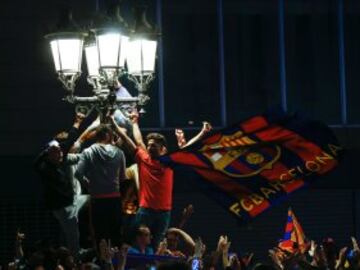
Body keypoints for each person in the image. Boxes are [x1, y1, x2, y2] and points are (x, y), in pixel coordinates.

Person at [110, 111, 173, 248]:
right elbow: (133, 140)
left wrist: (202, 134)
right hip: (146, 210)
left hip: (164, 212)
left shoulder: (170, 163)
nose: (149, 147)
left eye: (153, 146)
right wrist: (131, 123)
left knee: (157, 244)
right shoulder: (144, 159)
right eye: (149, 145)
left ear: (163, 149)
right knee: (137, 243)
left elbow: (188, 150)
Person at [35, 113, 89, 255]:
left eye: (60, 152)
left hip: (71, 202)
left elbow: (70, 140)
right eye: (57, 153)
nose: (60, 155)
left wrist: (77, 122)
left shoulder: (60, 157)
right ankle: (74, 258)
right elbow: (37, 163)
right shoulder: (44, 167)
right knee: (72, 236)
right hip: (63, 207)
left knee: (93, 198)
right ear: (49, 154)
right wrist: (47, 151)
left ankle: (72, 253)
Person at [75, 124, 126, 247]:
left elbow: (78, 173)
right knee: (116, 233)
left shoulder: (88, 152)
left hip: (97, 198)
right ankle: (117, 263)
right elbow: (122, 177)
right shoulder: (119, 152)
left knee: (100, 233)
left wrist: (89, 183)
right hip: (114, 197)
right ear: (108, 135)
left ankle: (103, 262)